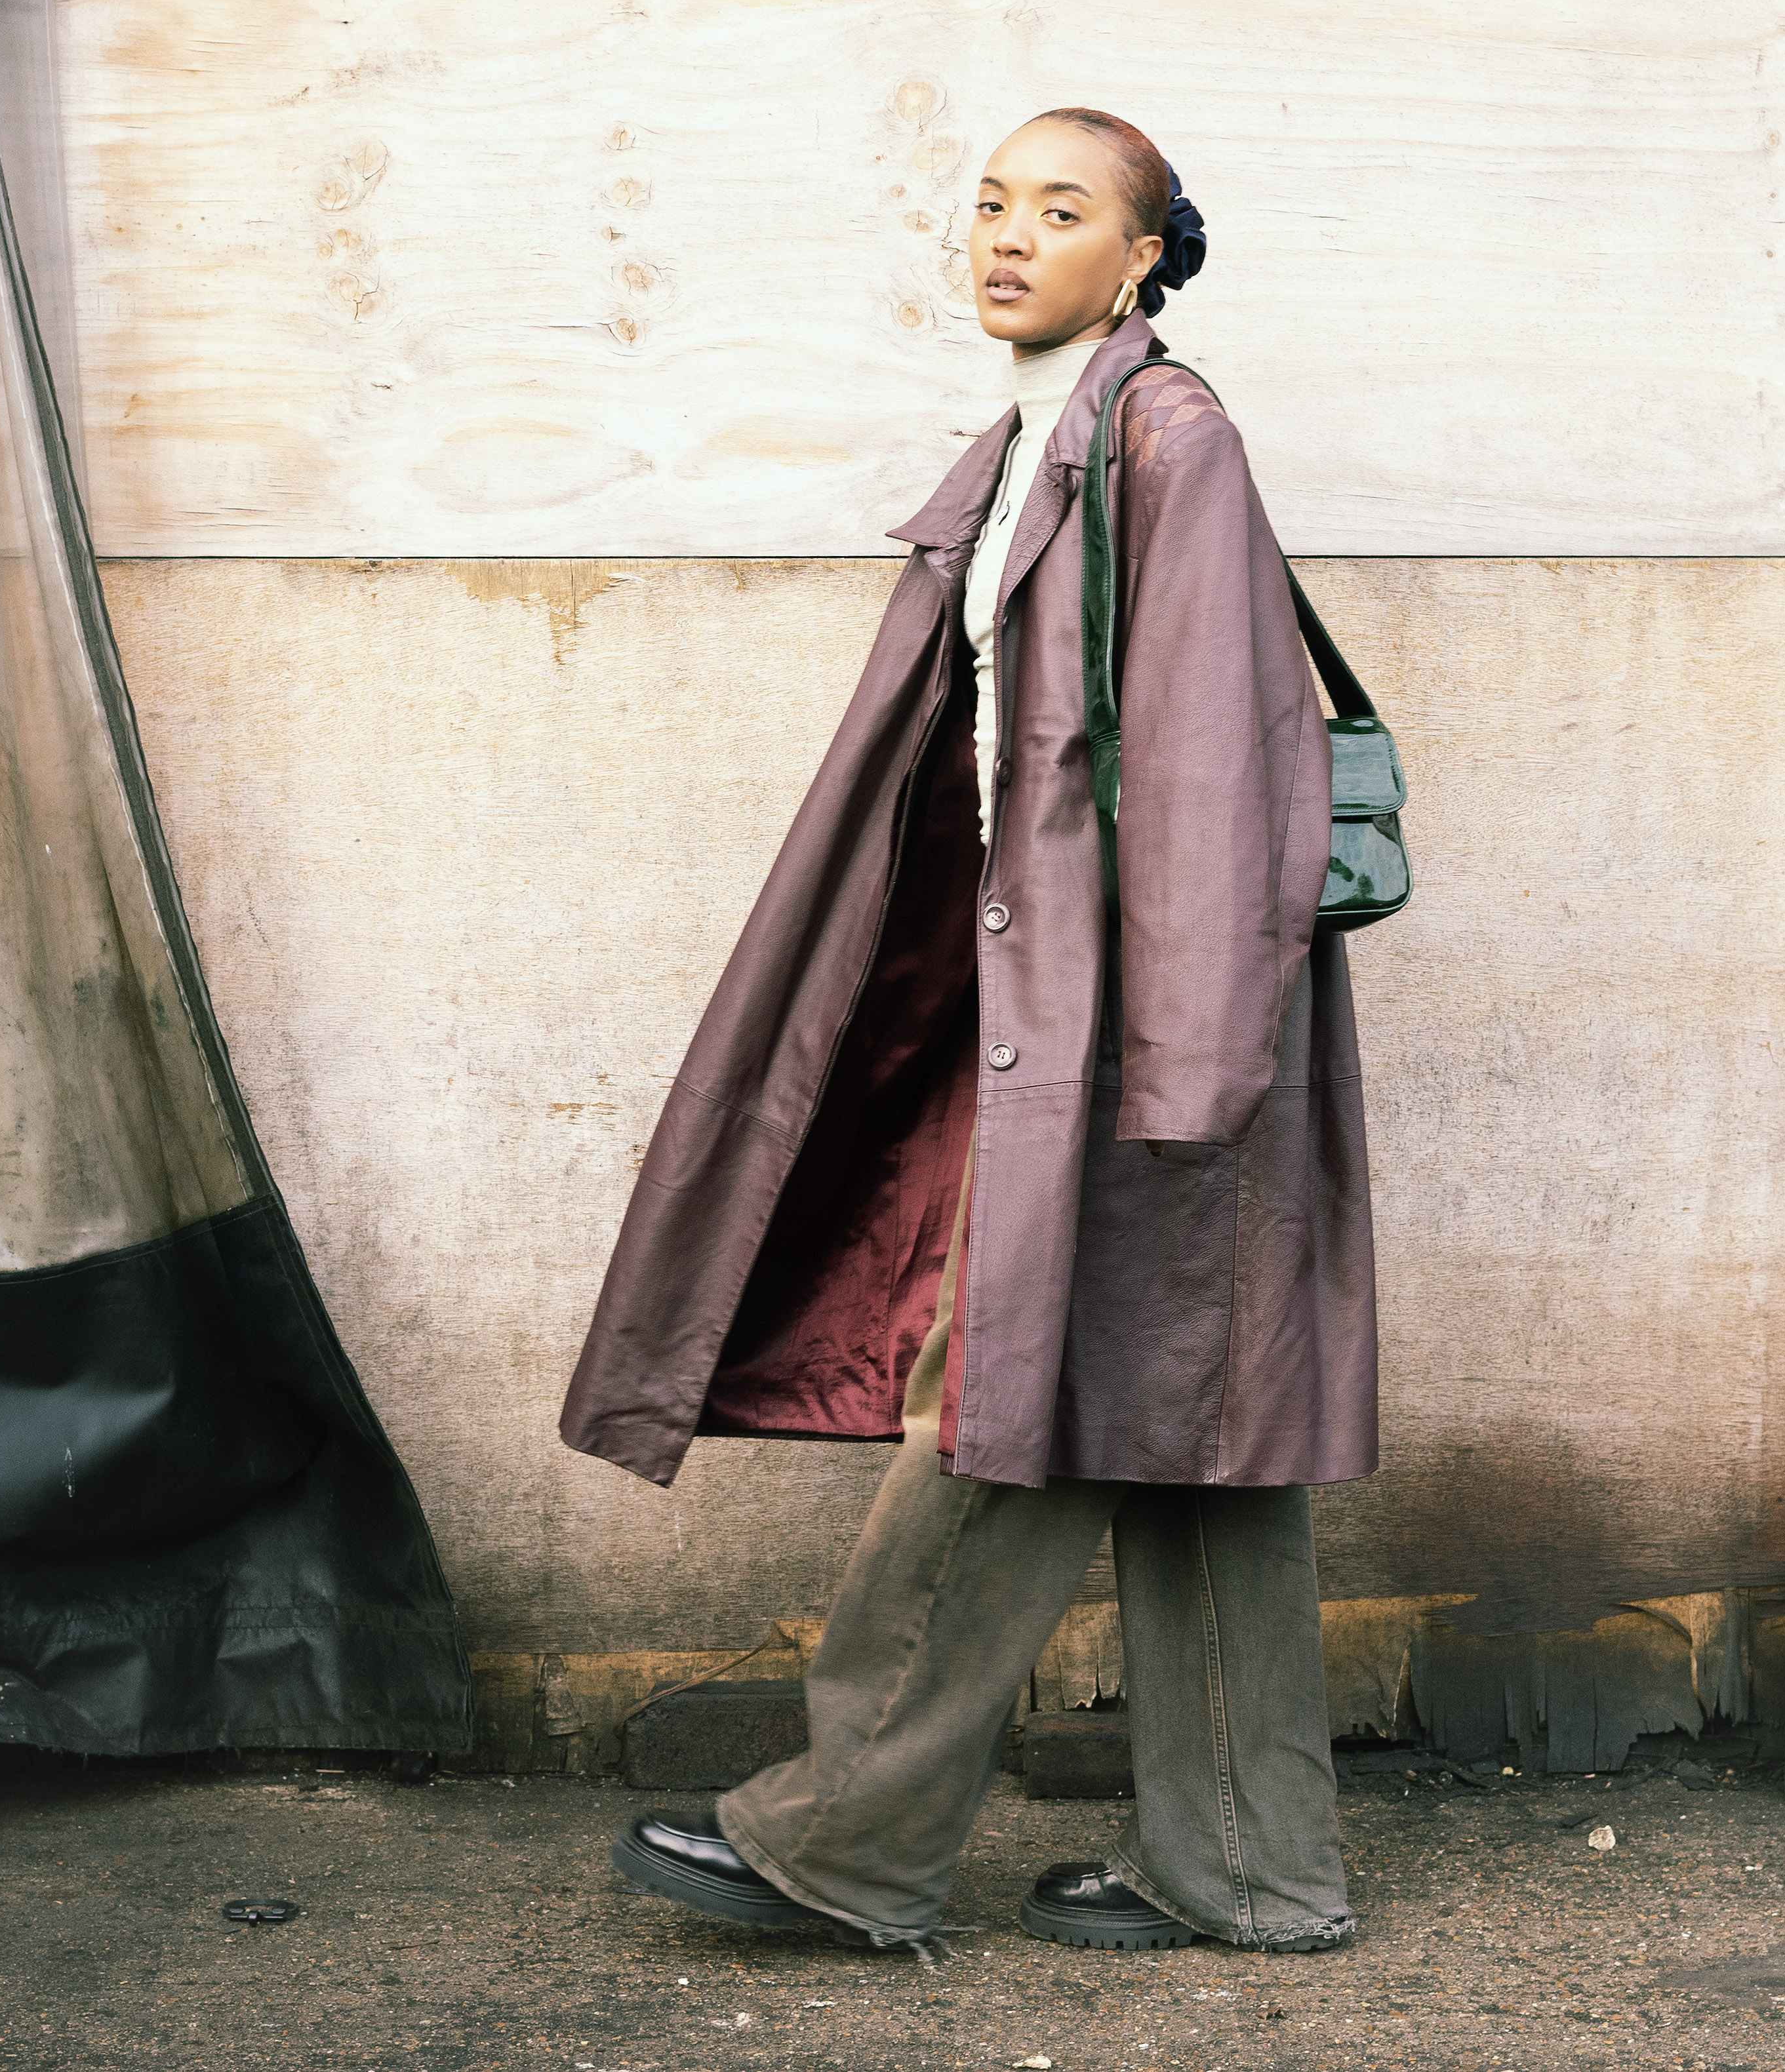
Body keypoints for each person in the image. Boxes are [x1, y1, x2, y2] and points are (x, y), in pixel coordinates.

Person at [557, 108, 1376, 1959]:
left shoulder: (1170, 436)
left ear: (1147, 253)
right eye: (993, 203)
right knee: (1196, 1428)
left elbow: (1209, 763)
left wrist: (1177, 1073)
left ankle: (851, 1834)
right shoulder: (1031, 438)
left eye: (1063, 210)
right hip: (1089, 1011)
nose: (1011, 234)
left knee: (999, 1404)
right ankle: (1255, 1868)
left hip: (1152, 1029)